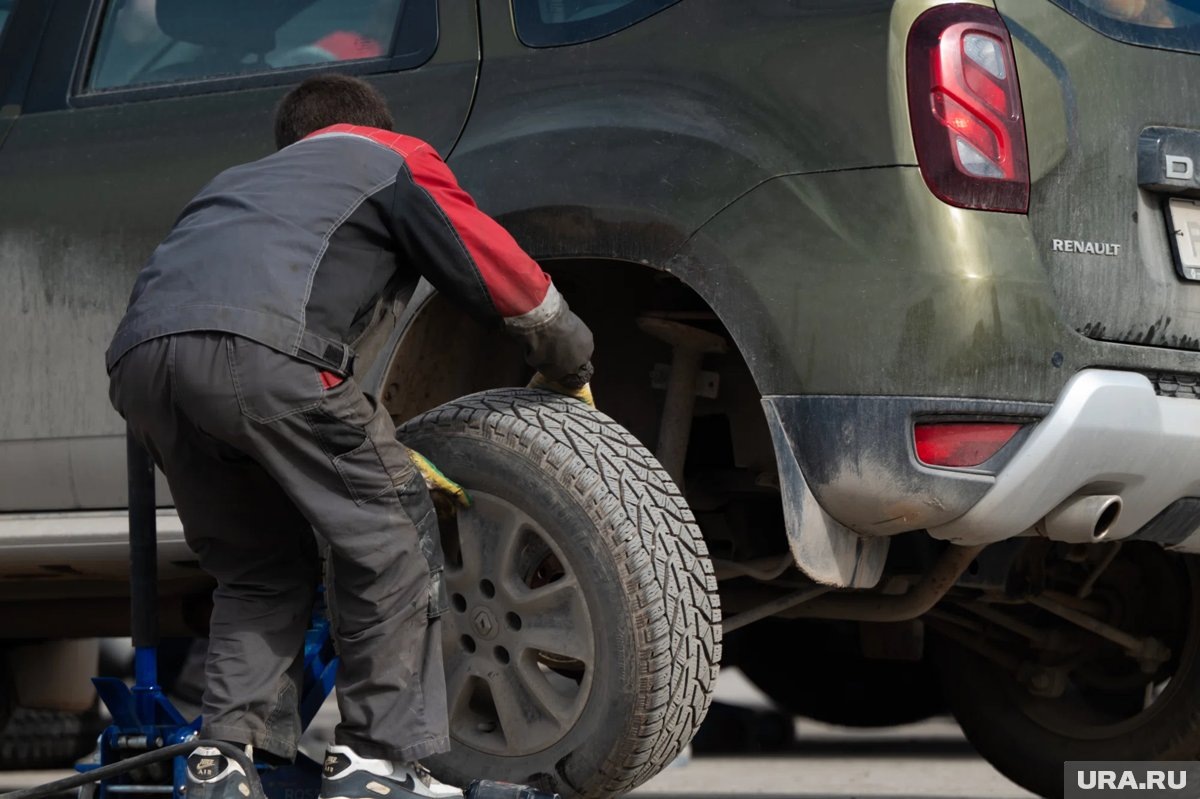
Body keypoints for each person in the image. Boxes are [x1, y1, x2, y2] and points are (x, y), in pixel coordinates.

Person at [105, 74, 594, 799]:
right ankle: (376, 760)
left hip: (141, 367)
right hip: (266, 357)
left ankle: (220, 764)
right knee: (390, 537)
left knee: (260, 570)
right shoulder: (387, 155)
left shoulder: (238, 183)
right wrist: (570, 355)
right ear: (371, 125)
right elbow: (493, 264)